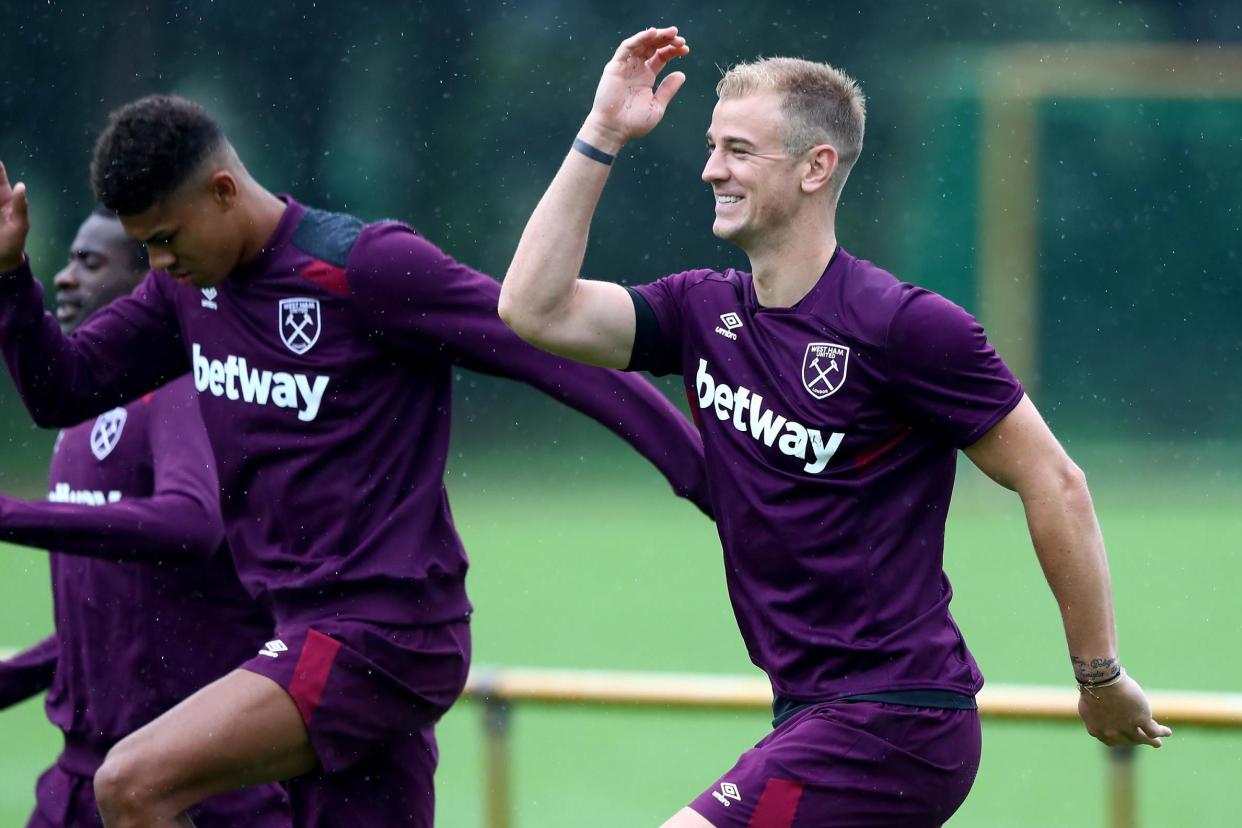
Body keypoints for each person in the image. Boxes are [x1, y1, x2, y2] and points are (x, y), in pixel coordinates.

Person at [498, 26, 1172, 827]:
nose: (712, 168)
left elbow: (1054, 480)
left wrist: (1099, 676)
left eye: (740, 150)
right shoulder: (700, 311)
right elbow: (533, 307)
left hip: (897, 717)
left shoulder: (906, 327)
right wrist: (604, 131)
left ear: (817, 167)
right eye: (713, 147)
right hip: (809, 712)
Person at [0, 93, 708, 827]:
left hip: (383, 633)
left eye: (168, 237)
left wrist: (710, 483)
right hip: (298, 634)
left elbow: (552, 352)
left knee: (133, 785)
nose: (159, 261)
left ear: (222, 190)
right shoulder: (187, 294)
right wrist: (8, 275)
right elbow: (63, 389)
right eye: (145, 245)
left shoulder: (363, 267)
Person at [0, 206, 290, 826]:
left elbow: (192, 522)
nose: (66, 278)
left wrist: (9, 516)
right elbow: (118, 616)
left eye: (91, 261)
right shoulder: (78, 413)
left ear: (148, 283)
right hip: (77, 780)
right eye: (70, 259)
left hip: (188, 788)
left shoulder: (183, 390)